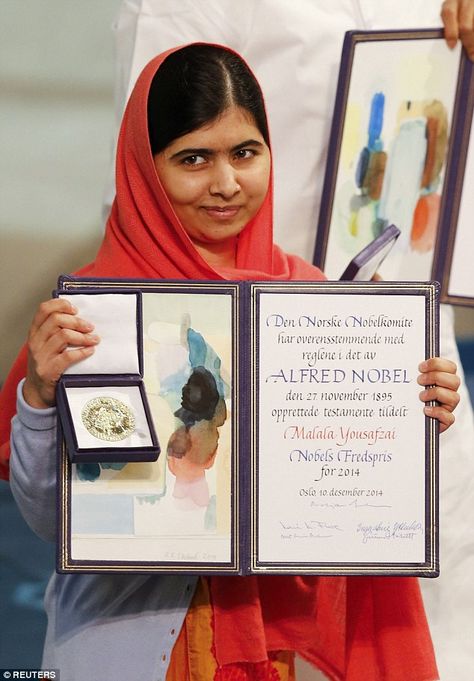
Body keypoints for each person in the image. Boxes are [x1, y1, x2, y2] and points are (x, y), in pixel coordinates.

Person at [2, 43, 460, 681]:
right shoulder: (91, 316)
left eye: (245, 153)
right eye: (193, 158)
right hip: (121, 648)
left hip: (279, 653)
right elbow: (54, 520)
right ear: (144, 167)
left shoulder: (317, 306)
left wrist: (411, 413)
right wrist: (39, 398)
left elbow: (351, 499)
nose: (225, 183)